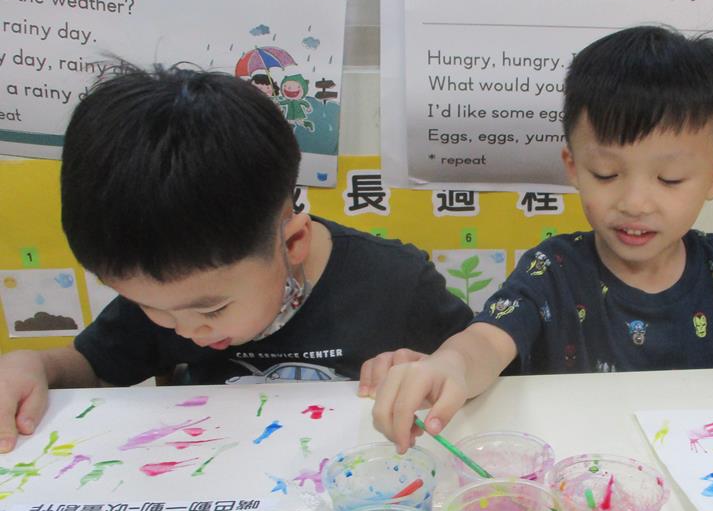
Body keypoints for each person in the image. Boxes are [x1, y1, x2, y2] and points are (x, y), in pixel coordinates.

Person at [365, 25, 713, 450]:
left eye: (669, 179)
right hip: (586, 480)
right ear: (573, 166)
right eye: (606, 173)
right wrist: (449, 365)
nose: (634, 202)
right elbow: (487, 342)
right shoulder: (554, 270)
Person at [0, 65, 472, 453]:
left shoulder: (396, 283)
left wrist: (429, 370)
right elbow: (91, 365)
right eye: (152, 308)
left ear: (292, 243)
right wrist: (35, 366)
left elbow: (477, 371)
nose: (187, 330)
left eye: (213, 309)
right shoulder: (170, 296)